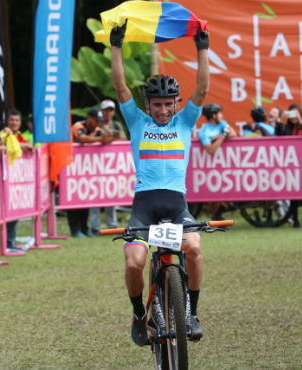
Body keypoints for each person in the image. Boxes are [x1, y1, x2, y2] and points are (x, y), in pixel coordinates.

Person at [111, 20, 209, 346]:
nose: (164, 110)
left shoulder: (185, 121)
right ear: (148, 104)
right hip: (144, 206)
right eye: (158, 104)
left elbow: (203, 90)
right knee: (134, 262)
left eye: (169, 104)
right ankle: (139, 315)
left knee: (193, 248)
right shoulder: (138, 121)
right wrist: (116, 47)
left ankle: (191, 313)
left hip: (176, 204)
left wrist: (202, 48)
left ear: (177, 104)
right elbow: (121, 89)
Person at [67, 108, 113, 238]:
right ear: (89, 118)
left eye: (99, 121)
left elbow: (104, 139)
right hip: (71, 169)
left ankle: (84, 228)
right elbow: (82, 139)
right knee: (73, 200)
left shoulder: (97, 129)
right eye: (96, 120)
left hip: (86, 169)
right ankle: (75, 230)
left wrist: (107, 138)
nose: (97, 124)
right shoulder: (78, 126)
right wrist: (100, 139)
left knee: (85, 200)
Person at [0, 109, 34, 249]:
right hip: (2, 179)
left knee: (14, 211)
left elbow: (27, 145)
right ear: (7, 121)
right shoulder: (3, 133)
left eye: (17, 120)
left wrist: (29, 146)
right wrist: (25, 146)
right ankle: (7, 243)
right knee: (5, 212)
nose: (14, 123)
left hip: (15, 180)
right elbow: (0, 146)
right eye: (11, 120)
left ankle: (10, 242)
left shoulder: (19, 135)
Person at [89, 100, 128, 235]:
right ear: (102, 111)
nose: (108, 113)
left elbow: (123, 138)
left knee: (110, 194)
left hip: (111, 166)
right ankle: (95, 226)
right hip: (95, 165)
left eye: (111, 110)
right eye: (106, 110)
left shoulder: (116, 124)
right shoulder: (96, 124)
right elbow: (95, 138)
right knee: (94, 194)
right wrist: (111, 137)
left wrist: (109, 137)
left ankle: (112, 225)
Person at [275, 104, 302, 227]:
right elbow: (278, 135)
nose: (293, 116)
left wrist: (300, 121)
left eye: (295, 113)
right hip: (291, 164)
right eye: (291, 114)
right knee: (294, 196)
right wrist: (279, 120)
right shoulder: (286, 127)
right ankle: (296, 221)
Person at [198, 103, 236, 220]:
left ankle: (219, 213)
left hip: (225, 164)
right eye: (219, 113)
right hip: (209, 167)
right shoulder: (204, 131)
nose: (222, 115)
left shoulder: (222, 124)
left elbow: (233, 133)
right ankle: (216, 214)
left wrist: (217, 137)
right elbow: (210, 150)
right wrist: (223, 136)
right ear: (214, 115)